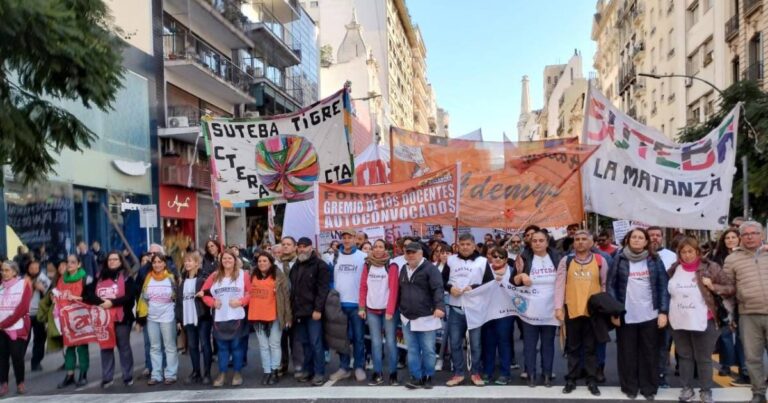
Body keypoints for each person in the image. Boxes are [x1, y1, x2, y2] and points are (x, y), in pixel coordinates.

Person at [667, 237, 733, 403]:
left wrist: (713, 286)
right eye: (683, 252)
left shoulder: (711, 267)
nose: (687, 255)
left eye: (690, 251)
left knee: (703, 358)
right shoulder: (674, 269)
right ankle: (687, 388)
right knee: (684, 356)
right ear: (679, 253)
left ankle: (706, 390)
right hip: (679, 321)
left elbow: (730, 288)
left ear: (697, 252)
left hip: (705, 321)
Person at [607, 228, 669, 401]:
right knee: (627, 353)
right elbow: (610, 285)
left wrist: (663, 311)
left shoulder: (655, 259)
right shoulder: (618, 258)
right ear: (628, 240)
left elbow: (663, 286)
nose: (636, 240)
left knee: (650, 352)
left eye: (640, 237)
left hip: (650, 314)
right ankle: (630, 387)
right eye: (633, 237)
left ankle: (649, 387)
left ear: (646, 242)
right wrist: (615, 311)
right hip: (626, 315)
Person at [555, 230, 607, 396]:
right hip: (572, 309)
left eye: (584, 239)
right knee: (573, 347)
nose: (580, 242)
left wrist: (604, 309)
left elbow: (604, 284)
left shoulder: (600, 260)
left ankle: (591, 379)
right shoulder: (566, 260)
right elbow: (559, 284)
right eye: (577, 239)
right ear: (573, 242)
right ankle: (571, 378)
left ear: (591, 242)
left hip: (593, 312)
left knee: (591, 348)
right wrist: (558, 307)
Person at [722, 221, 768, 403]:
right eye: (746, 234)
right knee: (752, 357)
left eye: (754, 233)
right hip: (748, 314)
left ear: (761, 235)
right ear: (741, 238)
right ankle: (758, 393)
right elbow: (728, 289)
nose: (750, 236)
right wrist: (730, 315)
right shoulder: (732, 259)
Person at [513, 230, 560, 388]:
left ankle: (547, 374)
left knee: (548, 344)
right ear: (530, 243)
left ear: (547, 242)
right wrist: (521, 277)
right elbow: (514, 280)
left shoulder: (557, 257)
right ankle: (531, 374)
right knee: (530, 345)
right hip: (530, 310)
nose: (538, 243)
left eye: (541, 240)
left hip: (551, 309)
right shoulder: (523, 258)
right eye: (534, 241)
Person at [84, 251, 137, 388]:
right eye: (110, 259)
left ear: (121, 262)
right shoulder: (99, 277)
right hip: (103, 319)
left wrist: (112, 303)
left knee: (123, 347)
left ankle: (128, 376)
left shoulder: (126, 277)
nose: (112, 261)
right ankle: (107, 377)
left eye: (115, 259)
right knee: (105, 348)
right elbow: (88, 294)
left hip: (122, 318)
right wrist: (101, 302)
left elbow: (130, 296)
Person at [443, 233, 489, 386]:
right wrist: (450, 289)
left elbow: (489, 283)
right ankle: (458, 373)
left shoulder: (483, 262)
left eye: (468, 244)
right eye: (462, 244)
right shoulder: (451, 260)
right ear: (458, 245)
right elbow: (442, 281)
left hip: (475, 309)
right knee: (455, 343)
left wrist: (473, 288)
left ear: (474, 245)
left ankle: (475, 373)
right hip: (456, 308)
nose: (465, 247)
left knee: (475, 344)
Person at [398, 241, 444, 389]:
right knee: (412, 349)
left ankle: (428, 376)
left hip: (426, 317)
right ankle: (416, 377)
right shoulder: (403, 269)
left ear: (421, 253)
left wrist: (439, 306)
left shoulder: (430, 269)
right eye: (407, 252)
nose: (410, 255)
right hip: (407, 317)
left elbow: (438, 289)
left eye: (413, 252)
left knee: (429, 350)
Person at [201, 250, 251, 387]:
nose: (227, 261)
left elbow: (250, 293)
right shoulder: (214, 276)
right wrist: (212, 303)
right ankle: (222, 373)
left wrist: (241, 302)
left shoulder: (243, 275)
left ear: (235, 260)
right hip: (220, 317)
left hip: (237, 317)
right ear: (220, 261)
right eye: (224, 259)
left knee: (236, 346)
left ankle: (237, 373)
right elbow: (203, 293)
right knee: (222, 348)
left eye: (230, 258)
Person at [708, 228, 748, 384]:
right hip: (723, 301)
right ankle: (725, 364)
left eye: (733, 237)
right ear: (723, 241)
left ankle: (743, 369)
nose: (730, 240)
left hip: (743, 301)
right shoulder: (717, 258)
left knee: (741, 337)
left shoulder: (746, 256)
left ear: (739, 239)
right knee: (724, 336)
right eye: (727, 238)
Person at [328, 229, 368, 382]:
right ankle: (344, 367)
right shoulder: (334, 257)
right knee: (341, 339)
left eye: (349, 237)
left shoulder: (363, 257)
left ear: (354, 239)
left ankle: (359, 366)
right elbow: (330, 279)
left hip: (357, 305)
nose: (346, 240)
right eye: (343, 237)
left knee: (358, 338)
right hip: (339, 305)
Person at [358, 239, 399, 386]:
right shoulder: (367, 264)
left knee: (390, 343)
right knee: (375, 343)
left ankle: (393, 373)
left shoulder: (391, 265)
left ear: (386, 249)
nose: (377, 249)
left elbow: (394, 289)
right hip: (372, 310)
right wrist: (362, 307)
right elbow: (363, 287)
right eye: (375, 247)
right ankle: (378, 373)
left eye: (381, 247)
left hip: (388, 311)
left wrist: (390, 310)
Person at [290, 237, 330, 386]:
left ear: (311, 248)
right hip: (299, 312)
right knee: (305, 344)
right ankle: (308, 370)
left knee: (316, 343)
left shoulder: (320, 265)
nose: (301, 249)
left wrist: (318, 309)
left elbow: (323, 290)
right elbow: (294, 290)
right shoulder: (296, 265)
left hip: (314, 312)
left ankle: (319, 373)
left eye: (304, 247)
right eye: (299, 247)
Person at [249, 253, 291, 385]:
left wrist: (287, 316)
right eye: (260, 261)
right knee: (263, 346)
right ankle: (266, 371)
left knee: (274, 344)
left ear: (271, 262)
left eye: (265, 261)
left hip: (275, 315)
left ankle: (274, 371)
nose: (262, 263)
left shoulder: (279, 276)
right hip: (257, 315)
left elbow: (286, 297)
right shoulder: (252, 275)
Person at [136, 253, 179, 386]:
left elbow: (176, 297)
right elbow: (143, 298)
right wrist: (141, 316)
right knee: (154, 347)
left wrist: (178, 320)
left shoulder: (171, 278)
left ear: (164, 264)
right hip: (152, 318)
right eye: (154, 262)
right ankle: (156, 374)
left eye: (160, 262)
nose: (157, 264)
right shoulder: (148, 278)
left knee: (169, 346)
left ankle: (171, 374)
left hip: (168, 317)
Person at [53, 254, 93, 389]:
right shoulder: (61, 279)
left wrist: (74, 297)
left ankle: (83, 374)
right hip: (65, 318)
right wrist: (55, 299)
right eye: (68, 262)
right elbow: (57, 294)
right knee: (69, 347)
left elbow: (90, 298)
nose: (69, 264)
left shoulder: (85, 278)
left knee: (82, 347)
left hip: (81, 317)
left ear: (79, 264)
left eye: (72, 262)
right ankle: (70, 375)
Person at [174, 252, 212, 385]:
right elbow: (179, 302)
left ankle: (207, 372)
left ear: (197, 263)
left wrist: (204, 293)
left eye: (190, 261)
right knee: (192, 346)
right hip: (188, 317)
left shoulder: (203, 279)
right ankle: (196, 371)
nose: (187, 263)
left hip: (202, 317)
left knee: (205, 344)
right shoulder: (182, 281)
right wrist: (179, 319)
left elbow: (209, 293)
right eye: (186, 261)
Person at [647, 226, 676, 389]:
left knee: (663, 345)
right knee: (646, 344)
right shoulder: (641, 256)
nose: (655, 238)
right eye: (651, 235)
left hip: (666, 308)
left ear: (662, 237)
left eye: (658, 235)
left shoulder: (672, 256)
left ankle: (661, 375)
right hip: (644, 309)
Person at [481, 247, 515, 385]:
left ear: (506, 259)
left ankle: (504, 373)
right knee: (488, 343)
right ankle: (487, 372)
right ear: (490, 257)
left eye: (501, 257)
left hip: (505, 313)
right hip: (487, 313)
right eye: (495, 256)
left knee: (504, 343)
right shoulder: (484, 270)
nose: (497, 259)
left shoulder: (512, 271)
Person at [0, 261, 32, 396]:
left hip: (16, 327)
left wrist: (5, 323)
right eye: (2, 270)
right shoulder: (1, 287)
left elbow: (23, 308)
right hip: (1, 328)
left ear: (14, 272)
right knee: (1, 358)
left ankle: (20, 383)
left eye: (7, 270)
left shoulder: (23, 284)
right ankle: (3, 384)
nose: (3, 273)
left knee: (17, 357)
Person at [275, 236, 299, 377]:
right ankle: (283, 365)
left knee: (296, 339)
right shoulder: (276, 265)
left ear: (295, 247)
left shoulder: (299, 262)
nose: (285, 247)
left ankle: (298, 365)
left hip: (296, 305)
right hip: (281, 306)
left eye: (288, 244)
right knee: (281, 338)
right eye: (283, 244)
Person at [26, 260, 50, 372]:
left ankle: (36, 362)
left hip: (39, 314)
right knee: (23, 339)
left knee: (40, 339)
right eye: (31, 268)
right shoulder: (23, 279)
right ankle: (18, 361)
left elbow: (49, 295)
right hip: (26, 314)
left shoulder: (43, 278)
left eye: (36, 268)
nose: (34, 270)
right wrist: (32, 286)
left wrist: (43, 289)